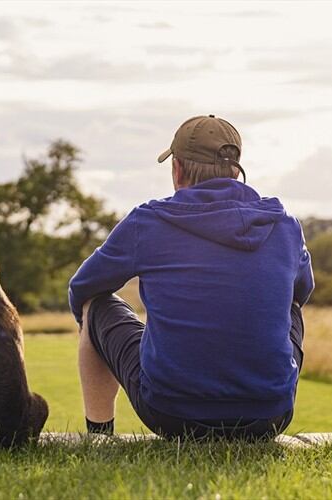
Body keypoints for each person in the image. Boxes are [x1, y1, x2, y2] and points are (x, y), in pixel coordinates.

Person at [68, 115, 314, 440]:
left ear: (178, 169)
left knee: (95, 304)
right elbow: (302, 291)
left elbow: (83, 287)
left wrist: (94, 329)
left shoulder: (148, 221)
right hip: (269, 416)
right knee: (291, 305)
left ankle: (99, 436)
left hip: (171, 414)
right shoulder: (285, 225)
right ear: (235, 169)